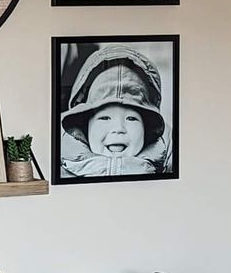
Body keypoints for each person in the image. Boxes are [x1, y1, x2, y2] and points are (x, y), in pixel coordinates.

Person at [60, 44, 173, 178]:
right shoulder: (60, 166)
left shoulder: (167, 165)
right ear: (84, 128)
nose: (119, 128)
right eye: (105, 118)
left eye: (131, 118)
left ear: (146, 129)